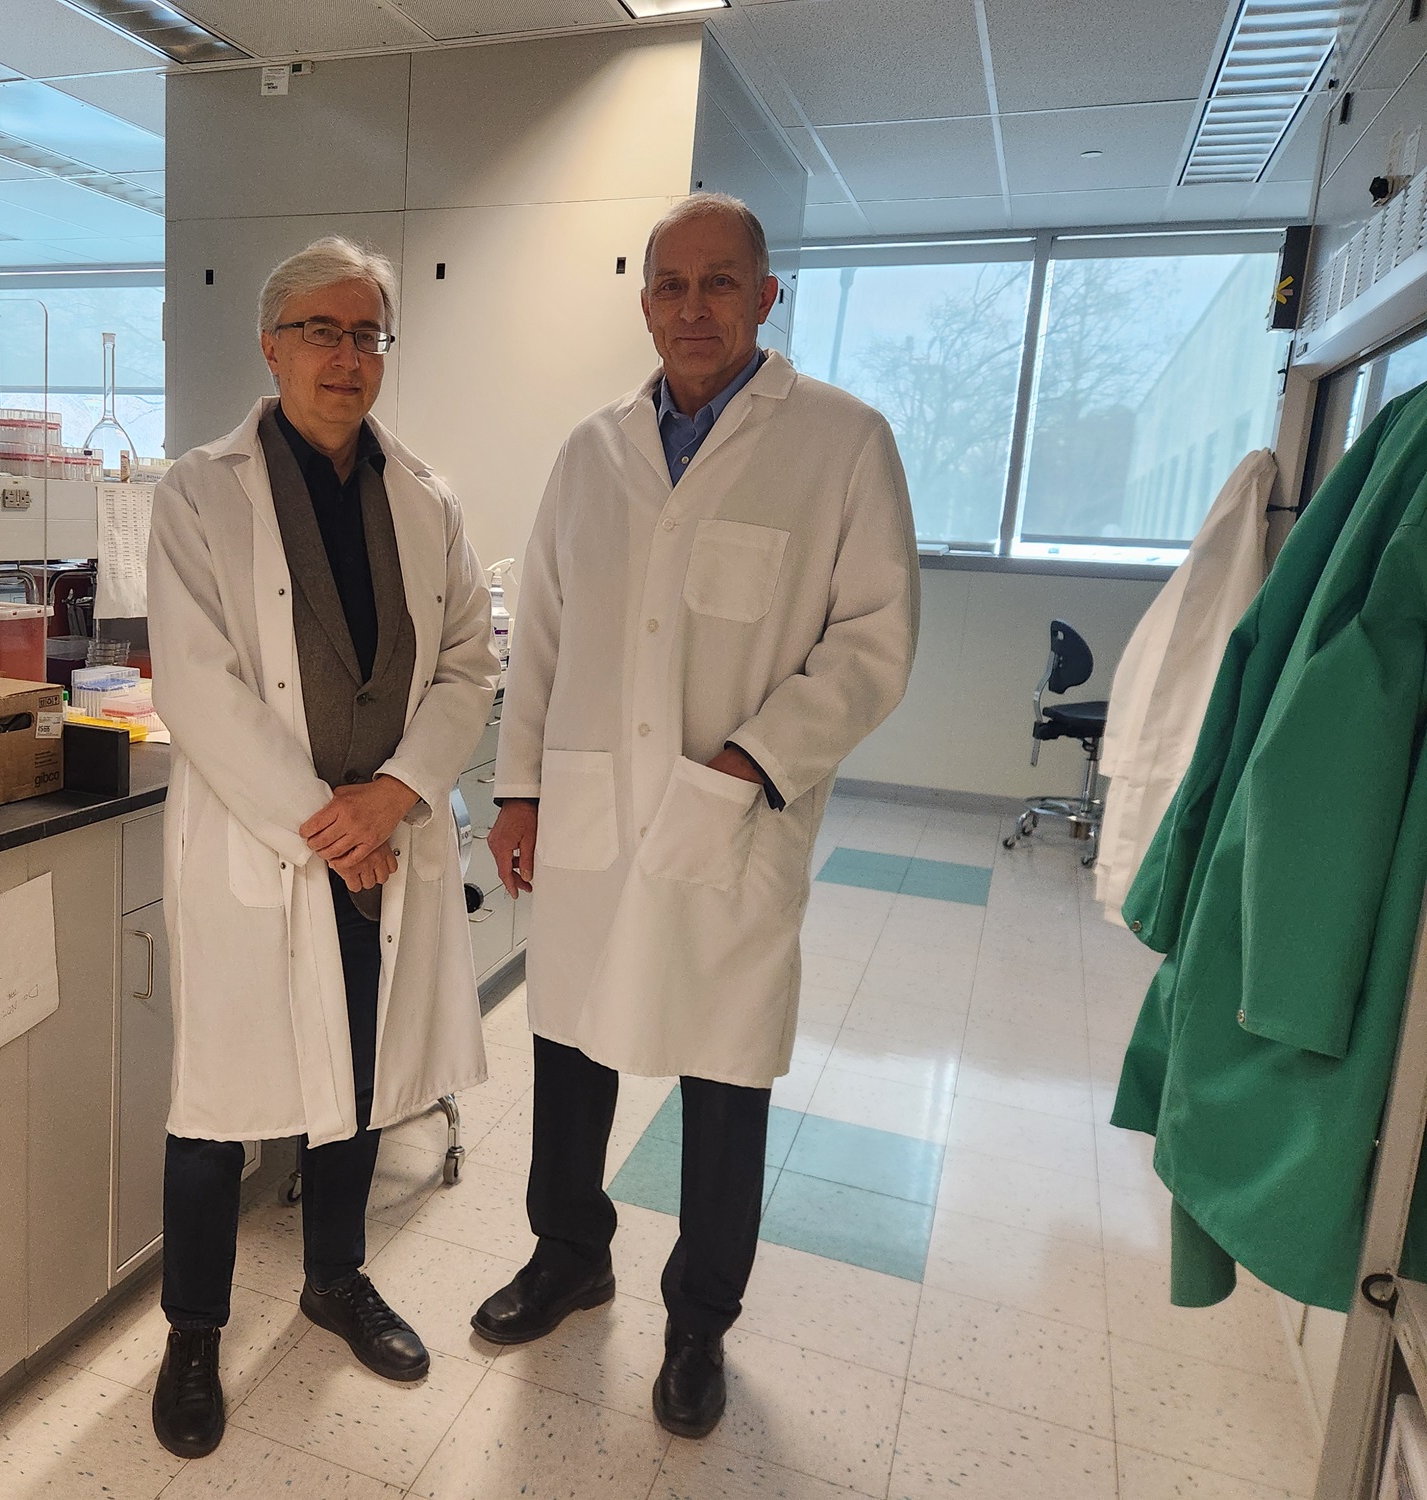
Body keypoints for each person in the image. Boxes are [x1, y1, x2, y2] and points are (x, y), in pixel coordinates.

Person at [472, 193, 920, 1439]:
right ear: (643, 302)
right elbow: (545, 636)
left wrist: (747, 762)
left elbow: (874, 642)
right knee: (566, 1046)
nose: (691, 307)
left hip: (732, 817)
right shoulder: (591, 449)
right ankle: (568, 1254)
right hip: (588, 815)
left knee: (722, 1073)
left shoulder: (839, 442)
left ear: (766, 296)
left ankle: (696, 1323)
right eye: (669, 285)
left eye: (719, 283)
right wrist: (518, 790)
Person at [146, 236, 498, 1459]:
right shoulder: (199, 491)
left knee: (352, 1085)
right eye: (318, 330)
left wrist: (392, 795)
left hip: (380, 844)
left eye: (366, 335)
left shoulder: (426, 498)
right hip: (270, 852)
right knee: (213, 1109)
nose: (343, 357)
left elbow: (467, 664)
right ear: (269, 344)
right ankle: (194, 1329)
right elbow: (197, 684)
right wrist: (322, 823)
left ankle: (334, 1279)